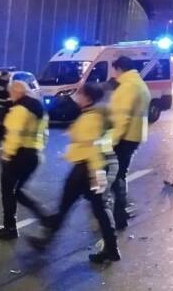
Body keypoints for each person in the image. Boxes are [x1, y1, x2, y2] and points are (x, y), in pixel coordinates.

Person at [26, 83, 120, 262]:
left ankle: (46, 241)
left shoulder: (91, 118)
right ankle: (111, 249)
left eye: (81, 94)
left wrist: (95, 174)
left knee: (86, 208)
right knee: (96, 209)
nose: (77, 96)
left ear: (88, 98)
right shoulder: (93, 115)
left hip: (87, 169)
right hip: (87, 168)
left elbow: (93, 147)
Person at [0, 81, 48, 240]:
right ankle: (44, 217)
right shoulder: (39, 108)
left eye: (10, 92)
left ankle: (10, 228)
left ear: (16, 92)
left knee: (8, 192)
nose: (9, 95)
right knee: (19, 191)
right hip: (33, 154)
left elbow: (14, 134)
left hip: (18, 155)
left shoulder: (19, 109)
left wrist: (7, 154)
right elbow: (44, 134)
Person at [107, 56, 150, 232]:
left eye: (114, 70)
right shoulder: (139, 83)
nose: (113, 75)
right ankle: (119, 213)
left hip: (124, 138)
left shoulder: (128, 87)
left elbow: (121, 118)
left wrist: (109, 142)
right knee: (119, 175)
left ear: (119, 69)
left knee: (117, 176)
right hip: (134, 136)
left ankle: (118, 214)